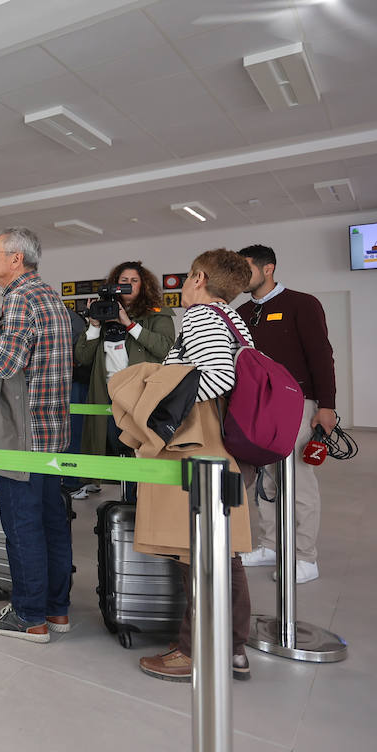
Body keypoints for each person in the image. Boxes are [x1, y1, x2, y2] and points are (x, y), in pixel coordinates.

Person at [135, 248, 254, 682]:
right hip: (221, 445)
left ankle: (196, 651)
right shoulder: (231, 318)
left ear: (200, 278)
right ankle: (232, 647)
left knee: (197, 550)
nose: (184, 284)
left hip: (199, 445)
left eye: (187, 276)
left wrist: (164, 412)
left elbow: (219, 376)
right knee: (221, 549)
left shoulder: (202, 316)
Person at [0, 228, 74, 641]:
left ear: (16, 259)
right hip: (53, 433)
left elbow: (5, 364)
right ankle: (57, 610)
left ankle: (29, 616)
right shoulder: (51, 297)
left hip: (22, 436)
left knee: (22, 525)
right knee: (52, 522)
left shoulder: (18, 298)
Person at [235, 244, 336, 584]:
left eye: (246, 268)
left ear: (268, 269)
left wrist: (327, 405)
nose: (240, 276)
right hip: (257, 407)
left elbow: (321, 355)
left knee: (298, 481)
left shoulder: (302, 304)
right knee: (266, 479)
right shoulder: (242, 311)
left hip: (298, 404)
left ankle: (305, 557)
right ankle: (270, 545)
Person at [71, 261, 175, 498]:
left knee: (136, 446)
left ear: (143, 285)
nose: (128, 285)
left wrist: (129, 324)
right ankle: (115, 491)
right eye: (123, 281)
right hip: (106, 393)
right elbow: (82, 357)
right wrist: (94, 325)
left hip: (139, 395)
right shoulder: (103, 312)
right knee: (110, 444)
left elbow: (165, 349)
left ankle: (140, 495)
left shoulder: (157, 314)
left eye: (134, 281)